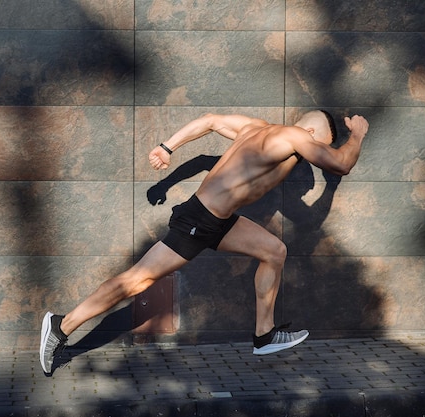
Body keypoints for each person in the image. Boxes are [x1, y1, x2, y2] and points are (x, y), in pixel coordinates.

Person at [40, 110, 369, 374]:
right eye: (322, 146)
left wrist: (167, 147)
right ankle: (61, 326)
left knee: (274, 251)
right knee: (136, 281)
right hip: (200, 221)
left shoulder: (256, 128)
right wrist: (357, 135)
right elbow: (341, 164)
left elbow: (211, 121)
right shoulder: (295, 137)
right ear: (312, 135)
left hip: (218, 220)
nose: (317, 155)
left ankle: (264, 335)